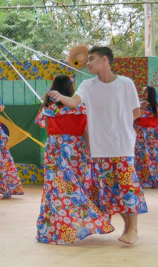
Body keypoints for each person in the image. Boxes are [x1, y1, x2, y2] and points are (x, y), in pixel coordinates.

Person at [48, 46, 148, 245]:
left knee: (128, 186)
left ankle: (133, 228)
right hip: (100, 148)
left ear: (104, 60)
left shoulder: (125, 83)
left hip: (122, 145)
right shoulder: (87, 85)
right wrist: (60, 97)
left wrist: (117, 125)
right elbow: (74, 101)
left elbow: (135, 112)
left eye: (91, 59)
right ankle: (128, 226)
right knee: (110, 191)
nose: (88, 63)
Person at [35, 75, 114, 245]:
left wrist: (56, 143)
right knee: (77, 185)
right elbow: (85, 131)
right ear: (71, 88)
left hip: (55, 147)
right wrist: (92, 152)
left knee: (56, 189)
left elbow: (48, 131)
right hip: (76, 148)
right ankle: (82, 224)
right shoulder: (80, 107)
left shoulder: (48, 107)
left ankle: (57, 228)